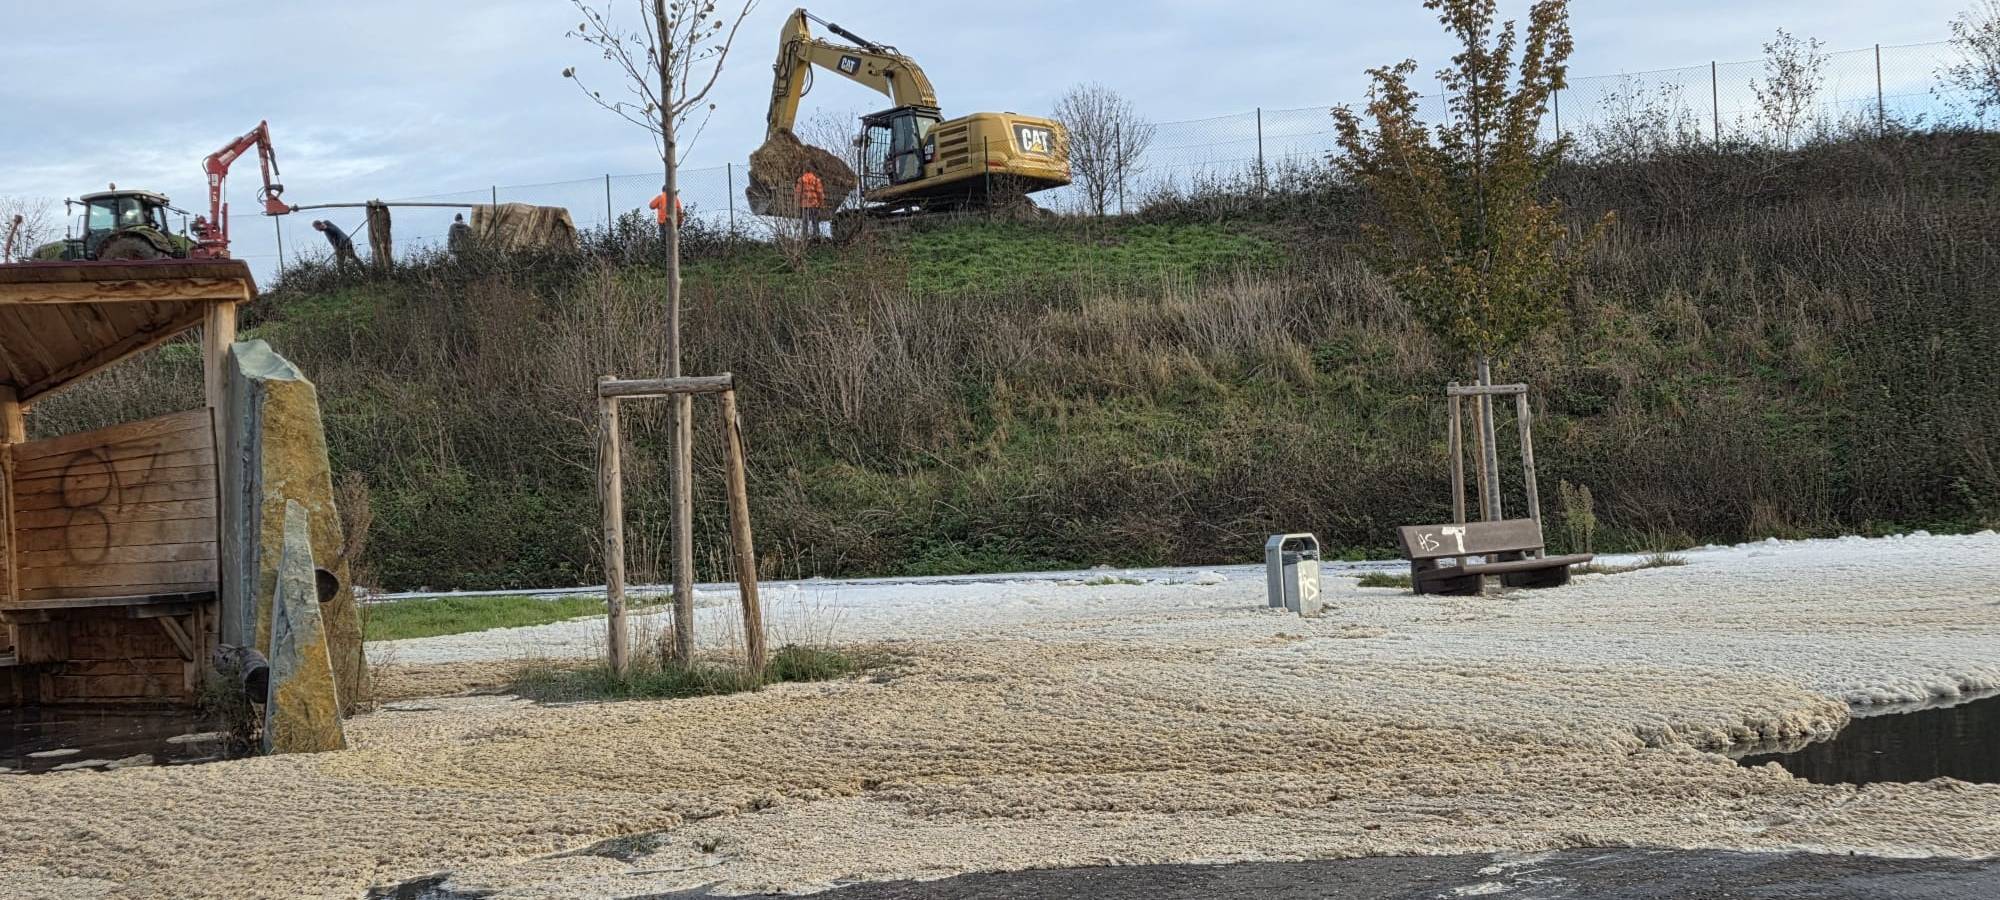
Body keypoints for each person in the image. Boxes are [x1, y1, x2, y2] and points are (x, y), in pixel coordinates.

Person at [796, 170, 825, 240]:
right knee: (815, 221)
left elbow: (798, 192)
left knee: (805, 221)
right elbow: (820, 193)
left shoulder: (801, 180)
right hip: (814, 204)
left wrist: (797, 202)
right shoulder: (816, 180)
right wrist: (821, 203)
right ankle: (816, 236)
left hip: (804, 205)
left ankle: (804, 237)